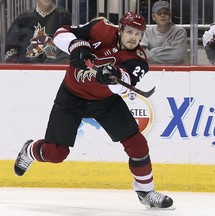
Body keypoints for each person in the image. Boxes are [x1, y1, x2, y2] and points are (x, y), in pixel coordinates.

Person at [13, 12, 174, 210]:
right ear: (120, 29)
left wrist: (114, 76)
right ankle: (29, 150)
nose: (133, 37)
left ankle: (146, 191)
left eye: (138, 34)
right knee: (56, 153)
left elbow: (123, 86)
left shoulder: (138, 59)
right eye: (129, 31)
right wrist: (77, 46)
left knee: (137, 144)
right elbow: (60, 33)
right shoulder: (101, 28)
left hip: (105, 102)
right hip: (71, 96)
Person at [4, 0, 72, 64]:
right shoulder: (24, 18)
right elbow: (11, 46)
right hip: (26, 70)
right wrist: (17, 65)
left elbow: (68, 46)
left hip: (55, 67)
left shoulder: (64, 17)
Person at [140, 0, 188, 65]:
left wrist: (151, 53)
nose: (162, 15)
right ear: (153, 17)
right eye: (159, 13)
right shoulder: (148, 32)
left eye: (166, 13)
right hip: (153, 72)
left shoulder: (180, 32)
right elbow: (141, 54)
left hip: (175, 72)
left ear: (170, 16)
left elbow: (177, 56)